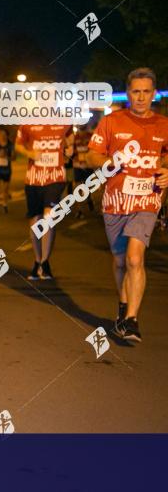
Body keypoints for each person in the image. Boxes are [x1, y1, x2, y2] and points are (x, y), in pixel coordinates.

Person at [87, 67, 168, 343]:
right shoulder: (112, 122)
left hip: (148, 199)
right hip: (116, 201)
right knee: (121, 261)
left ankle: (132, 320)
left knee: (135, 258)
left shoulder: (164, 124)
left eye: (147, 92)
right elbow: (92, 155)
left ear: (154, 94)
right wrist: (108, 163)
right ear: (128, 92)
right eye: (136, 91)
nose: (141, 97)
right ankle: (122, 306)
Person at [17, 123, 74, 280]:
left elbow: (70, 135)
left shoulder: (64, 120)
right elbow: (18, 145)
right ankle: (37, 261)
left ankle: (45, 261)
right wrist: (30, 153)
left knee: (49, 216)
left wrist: (70, 147)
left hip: (55, 177)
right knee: (35, 222)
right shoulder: (27, 122)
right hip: (33, 179)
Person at [70, 123, 95, 218]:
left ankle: (89, 199)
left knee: (87, 187)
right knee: (77, 188)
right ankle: (80, 210)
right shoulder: (75, 137)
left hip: (88, 166)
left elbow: (94, 151)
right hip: (77, 166)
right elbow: (72, 151)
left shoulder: (91, 136)